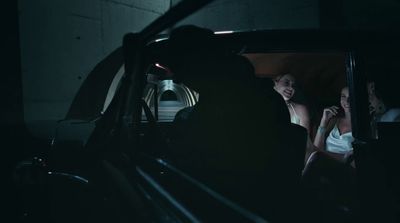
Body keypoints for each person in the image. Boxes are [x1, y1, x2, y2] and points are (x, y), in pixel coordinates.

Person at [312, 86, 354, 162]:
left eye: (351, 96)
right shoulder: (334, 121)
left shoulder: (363, 126)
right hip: (324, 163)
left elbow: (353, 159)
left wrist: (322, 154)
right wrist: (323, 121)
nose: (347, 101)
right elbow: (316, 148)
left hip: (346, 169)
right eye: (343, 96)